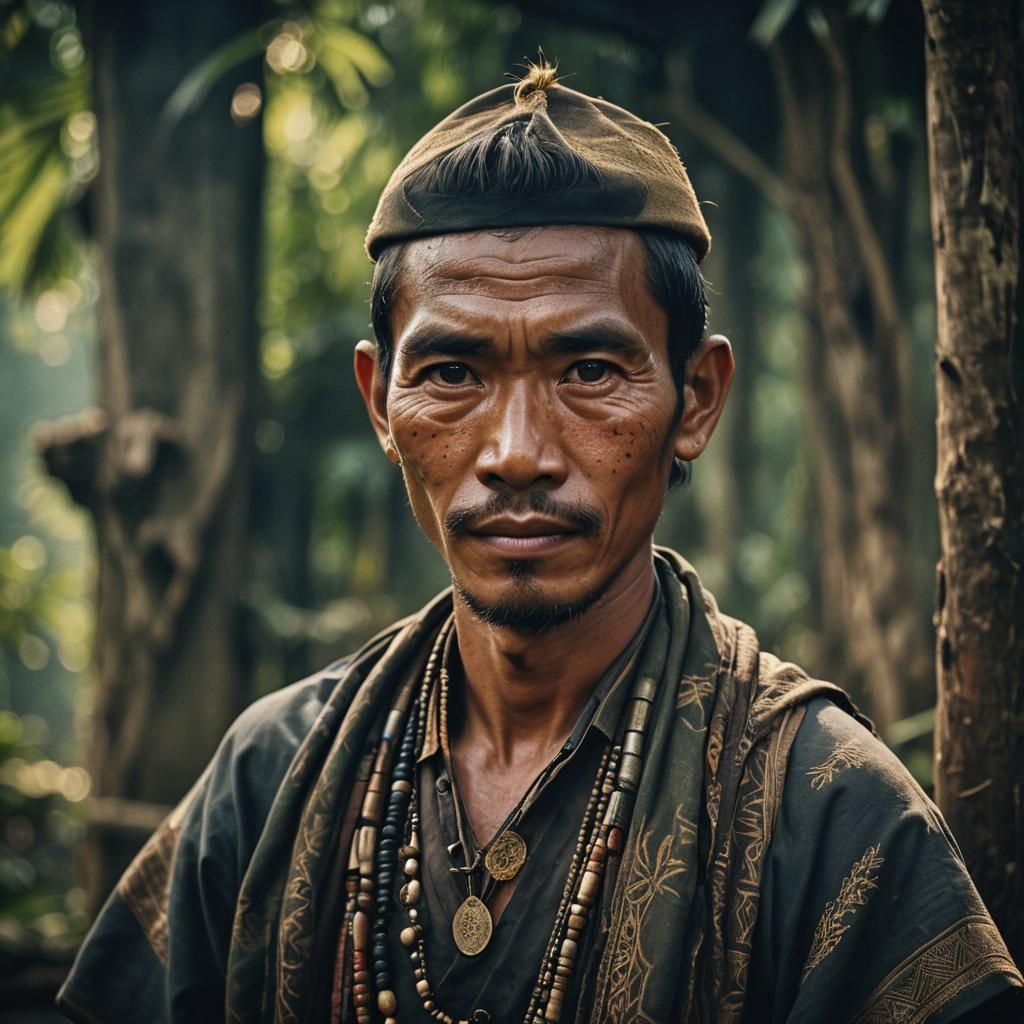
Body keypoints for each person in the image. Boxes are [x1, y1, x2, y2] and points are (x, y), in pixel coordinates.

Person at [58, 61, 1021, 1024]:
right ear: (379, 403)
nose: (516, 455)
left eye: (591, 368)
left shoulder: (832, 817)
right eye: (450, 372)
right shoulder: (274, 776)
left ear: (697, 398)